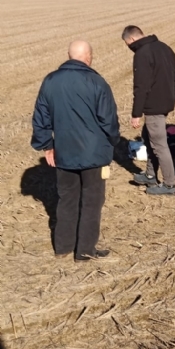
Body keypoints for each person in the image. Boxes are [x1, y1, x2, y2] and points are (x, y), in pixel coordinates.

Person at [31, 40, 119, 260]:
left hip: (64, 152)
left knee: (66, 199)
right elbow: (109, 121)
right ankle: (85, 250)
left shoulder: (50, 81)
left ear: (69, 56)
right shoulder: (97, 82)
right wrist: (113, 142)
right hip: (94, 154)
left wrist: (47, 146)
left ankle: (63, 246)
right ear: (88, 56)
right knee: (92, 201)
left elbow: (40, 119)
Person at [122, 25, 175, 196]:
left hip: (154, 106)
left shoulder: (142, 54)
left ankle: (169, 185)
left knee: (159, 145)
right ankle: (150, 174)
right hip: (165, 102)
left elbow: (141, 86)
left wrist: (136, 114)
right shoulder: (164, 47)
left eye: (128, 43)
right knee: (148, 138)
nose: (128, 47)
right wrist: (171, 98)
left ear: (132, 39)